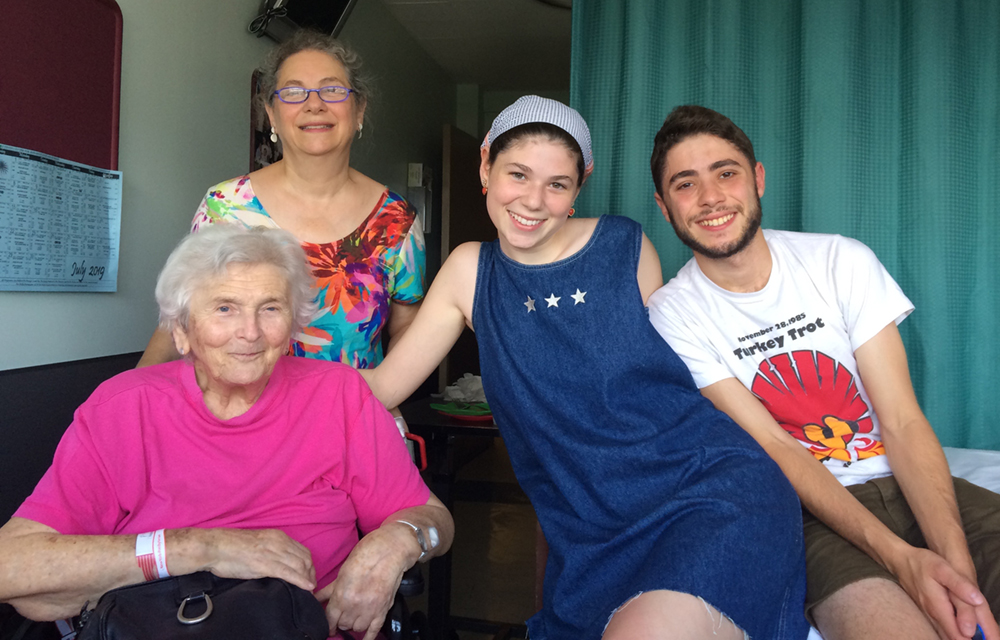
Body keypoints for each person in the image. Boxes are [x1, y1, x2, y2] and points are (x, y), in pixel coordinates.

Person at [360, 95, 809, 640]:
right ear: (485, 165)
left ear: (580, 186)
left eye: (557, 184)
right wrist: (273, 367)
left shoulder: (625, 245)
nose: (533, 201)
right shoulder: (470, 271)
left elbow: (673, 376)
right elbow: (381, 388)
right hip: (592, 539)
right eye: (518, 174)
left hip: (710, 495)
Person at [646, 105, 1000, 640]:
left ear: (757, 178)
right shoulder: (673, 313)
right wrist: (903, 560)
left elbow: (901, 420)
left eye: (726, 173)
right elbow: (778, 446)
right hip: (813, 516)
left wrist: (959, 574)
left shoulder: (840, 261)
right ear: (664, 205)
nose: (711, 197)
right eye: (685, 184)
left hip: (918, 489)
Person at [0, 225, 453, 640]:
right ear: (181, 330)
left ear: (292, 325)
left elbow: (435, 521)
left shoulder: (338, 395)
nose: (250, 332)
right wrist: (203, 548)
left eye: (270, 308)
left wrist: (400, 541)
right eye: (224, 308)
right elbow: (13, 567)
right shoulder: (122, 408)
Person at [138, 30, 425, 370]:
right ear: (272, 114)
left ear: (359, 109)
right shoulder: (225, 206)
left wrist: (383, 393)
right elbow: (181, 319)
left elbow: (407, 328)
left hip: (352, 401)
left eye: (332, 90)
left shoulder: (395, 219)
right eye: (293, 92)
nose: (314, 104)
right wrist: (130, 395)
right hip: (237, 403)